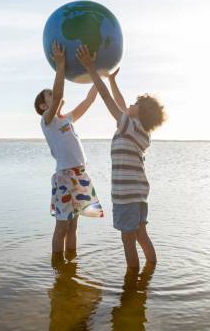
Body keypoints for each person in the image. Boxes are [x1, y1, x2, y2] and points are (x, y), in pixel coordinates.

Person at [75, 44, 166, 268]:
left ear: (140, 113)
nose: (129, 105)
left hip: (126, 194)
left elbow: (108, 100)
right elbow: (120, 102)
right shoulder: (138, 129)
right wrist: (113, 80)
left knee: (128, 239)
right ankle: (149, 273)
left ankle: (133, 286)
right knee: (141, 234)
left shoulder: (129, 126)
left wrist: (91, 69)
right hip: (139, 193)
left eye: (135, 104)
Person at [34, 40, 103, 254]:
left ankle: (71, 269)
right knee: (62, 226)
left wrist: (101, 74)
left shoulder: (67, 119)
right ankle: (58, 270)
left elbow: (89, 100)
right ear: (44, 106)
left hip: (79, 174)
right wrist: (60, 64)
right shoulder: (48, 120)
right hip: (64, 176)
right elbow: (59, 95)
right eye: (51, 95)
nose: (56, 96)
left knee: (74, 225)